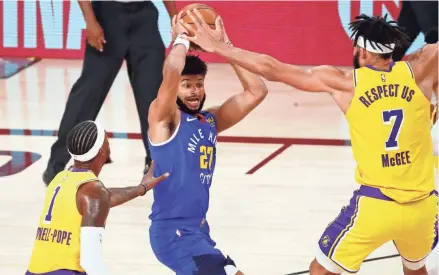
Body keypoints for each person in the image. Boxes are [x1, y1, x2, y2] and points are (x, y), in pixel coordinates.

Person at [182, 11, 438, 275]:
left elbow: (273, 69)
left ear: (361, 52)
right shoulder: (421, 70)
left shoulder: (345, 83)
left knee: (320, 271)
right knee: (416, 270)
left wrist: (222, 47)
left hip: (377, 205)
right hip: (424, 207)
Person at [146, 13, 267, 275]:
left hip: (199, 229)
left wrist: (226, 47)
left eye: (199, 84)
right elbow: (171, 73)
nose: (194, 91)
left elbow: (257, 91)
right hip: (173, 233)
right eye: (186, 85)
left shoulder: (209, 121)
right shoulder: (164, 120)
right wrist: (181, 39)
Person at [42, 0, 177, 185]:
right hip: (107, 16)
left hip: (145, 17)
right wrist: (90, 21)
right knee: (87, 95)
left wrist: (174, 18)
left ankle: (157, 164)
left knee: (154, 98)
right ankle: (56, 165)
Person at [27, 120, 168, 275]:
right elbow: (90, 262)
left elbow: (104, 197)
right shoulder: (93, 193)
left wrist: (142, 188)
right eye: (107, 141)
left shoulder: (61, 179)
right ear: (102, 150)